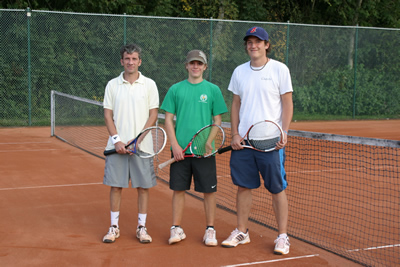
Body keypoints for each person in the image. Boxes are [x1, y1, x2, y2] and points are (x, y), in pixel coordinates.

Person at [221, 26, 293, 255]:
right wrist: (234, 134)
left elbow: (287, 103)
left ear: (266, 44)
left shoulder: (280, 70)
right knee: (243, 187)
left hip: (272, 142)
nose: (253, 45)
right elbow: (236, 104)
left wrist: (284, 131)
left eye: (258, 41)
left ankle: (282, 236)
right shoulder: (239, 72)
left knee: (277, 188)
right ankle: (241, 231)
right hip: (244, 142)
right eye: (250, 42)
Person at [160, 50, 228, 246]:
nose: (195, 66)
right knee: (179, 190)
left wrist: (209, 141)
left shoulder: (213, 90)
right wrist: (174, 145)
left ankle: (210, 230)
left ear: (205, 67)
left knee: (209, 191)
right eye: (192, 63)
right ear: (186, 66)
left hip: (204, 152)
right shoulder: (175, 89)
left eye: (199, 63)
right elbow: (169, 120)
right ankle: (176, 228)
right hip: (180, 151)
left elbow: (217, 120)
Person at [102, 44, 159, 244]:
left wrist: (138, 140)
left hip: (141, 148)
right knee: (116, 187)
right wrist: (117, 140)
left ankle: (142, 227)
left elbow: (153, 114)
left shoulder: (149, 84)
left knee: (143, 187)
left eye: (134, 59)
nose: (131, 62)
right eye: (127, 59)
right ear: (122, 61)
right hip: (117, 147)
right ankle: (114, 227)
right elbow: (108, 115)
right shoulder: (112, 85)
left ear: (139, 61)